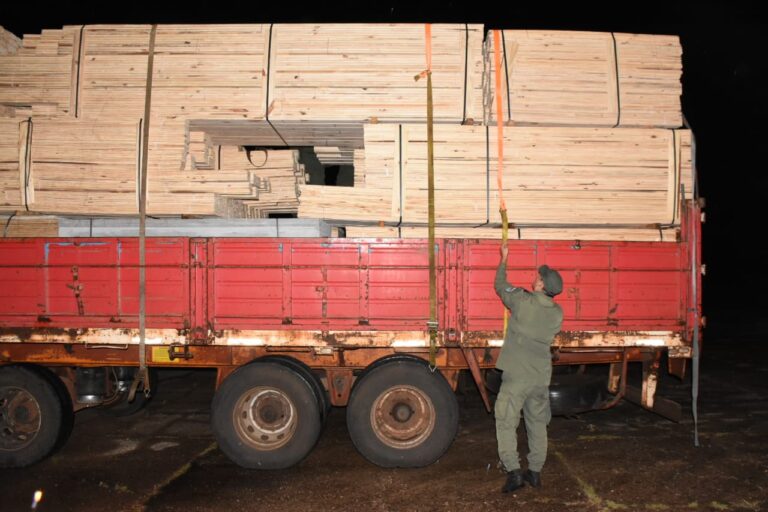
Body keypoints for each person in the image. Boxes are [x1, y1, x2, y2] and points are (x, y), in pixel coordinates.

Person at [494, 243, 563, 494]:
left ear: (542, 285)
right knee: (537, 424)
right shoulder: (557, 314)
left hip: (517, 377)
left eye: (538, 277)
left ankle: (513, 472)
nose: (535, 278)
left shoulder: (523, 301)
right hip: (540, 378)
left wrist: (504, 259)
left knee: (505, 421)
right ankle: (535, 473)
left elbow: (500, 286)